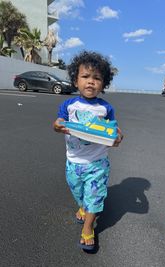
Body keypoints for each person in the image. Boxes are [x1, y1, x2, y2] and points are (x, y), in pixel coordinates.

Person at [53, 50, 123, 250]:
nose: (90, 82)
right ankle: (83, 207)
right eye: (85, 76)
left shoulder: (105, 108)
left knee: (93, 196)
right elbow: (58, 123)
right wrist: (57, 126)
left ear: (104, 83)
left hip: (97, 162)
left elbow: (113, 131)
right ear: (76, 80)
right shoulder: (69, 105)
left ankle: (88, 228)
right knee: (78, 192)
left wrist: (116, 138)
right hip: (73, 161)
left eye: (97, 78)